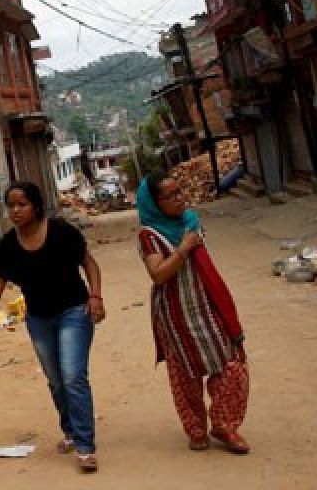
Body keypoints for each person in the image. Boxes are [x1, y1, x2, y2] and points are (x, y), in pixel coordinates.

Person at [0, 181, 105, 473]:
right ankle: (71, 431)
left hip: (74, 311)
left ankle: (86, 446)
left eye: (22, 204)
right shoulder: (8, 245)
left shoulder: (61, 233)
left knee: (73, 376)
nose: (16, 211)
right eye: (11, 205)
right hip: (39, 318)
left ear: (36, 206)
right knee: (56, 380)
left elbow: (90, 264)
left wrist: (96, 296)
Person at [136, 170, 249, 454]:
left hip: (206, 307)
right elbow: (158, 274)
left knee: (230, 365)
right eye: (170, 196)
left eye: (180, 192)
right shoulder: (149, 235)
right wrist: (184, 248)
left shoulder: (190, 222)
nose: (180, 199)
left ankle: (225, 425)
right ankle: (196, 430)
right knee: (185, 376)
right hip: (175, 314)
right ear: (154, 203)